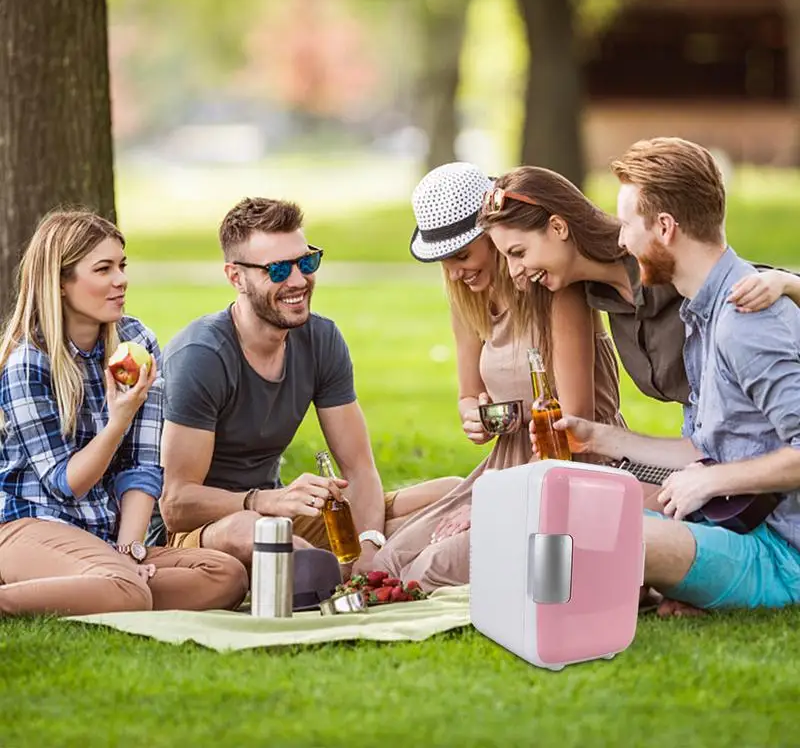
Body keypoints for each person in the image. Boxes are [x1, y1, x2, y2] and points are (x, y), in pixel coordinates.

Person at [531, 137, 800, 612]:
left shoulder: (746, 322)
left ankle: (567, 615)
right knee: (568, 514)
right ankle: (625, 595)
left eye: (627, 224)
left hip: (782, 552)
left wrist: (710, 482)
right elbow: (707, 448)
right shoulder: (702, 315)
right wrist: (597, 437)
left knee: (596, 534)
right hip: (730, 527)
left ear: (665, 227)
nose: (619, 240)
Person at [153, 197, 453, 574]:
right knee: (261, 533)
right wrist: (263, 500)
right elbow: (176, 504)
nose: (298, 281)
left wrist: (368, 542)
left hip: (282, 512)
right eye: (278, 270)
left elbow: (359, 470)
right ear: (236, 277)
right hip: (209, 529)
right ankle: (325, 568)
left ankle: (340, 566)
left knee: (451, 495)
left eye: (306, 262)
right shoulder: (202, 355)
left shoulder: (321, 338)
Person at [367, 162, 626, 591]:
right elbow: (469, 394)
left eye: (461, 256)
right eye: (444, 261)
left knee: (427, 570)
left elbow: (577, 422)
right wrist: (476, 415)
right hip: (502, 466)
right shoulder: (467, 298)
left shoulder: (558, 291)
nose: (454, 272)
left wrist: (493, 504)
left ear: (493, 236)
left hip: (565, 468)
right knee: (386, 561)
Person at [0, 210, 249, 617]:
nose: (121, 280)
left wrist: (130, 549)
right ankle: (64, 591)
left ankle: (104, 585)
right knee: (128, 592)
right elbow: (66, 485)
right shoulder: (28, 363)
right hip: (27, 527)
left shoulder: (136, 341)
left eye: (122, 265)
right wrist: (119, 420)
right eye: (104, 269)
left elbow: (143, 467)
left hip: (100, 536)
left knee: (226, 575)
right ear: (61, 283)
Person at [482, 167, 800, 436]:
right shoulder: (590, 292)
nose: (512, 272)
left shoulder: (655, 258)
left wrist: (786, 281)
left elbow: (726, 278)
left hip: (770, 441)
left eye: (518, 253)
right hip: (702, 442)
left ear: (558, 227)